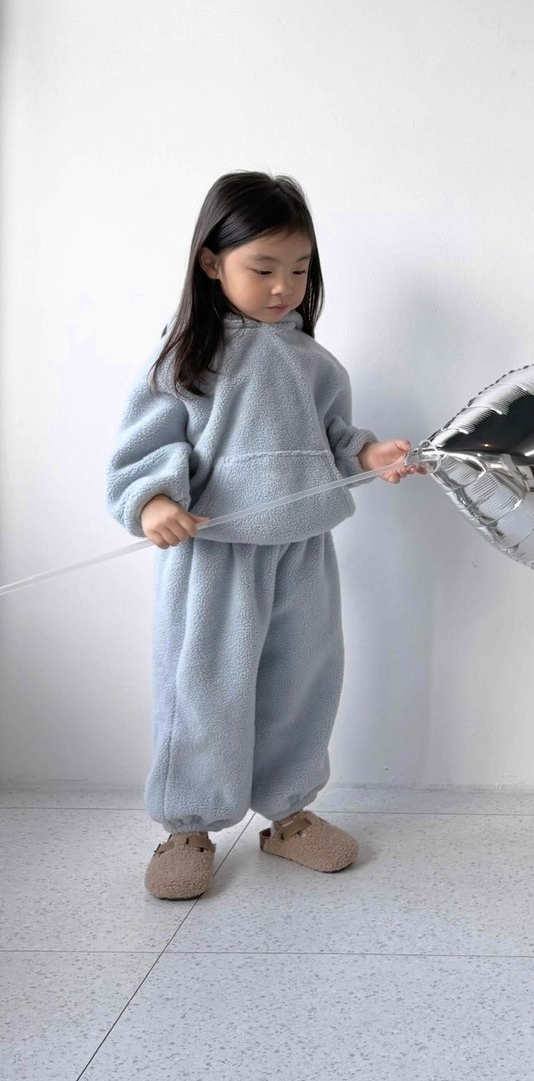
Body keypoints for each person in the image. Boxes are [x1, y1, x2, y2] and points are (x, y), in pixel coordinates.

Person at [106, 171, 426, 900]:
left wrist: (372, 455)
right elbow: (143, 448)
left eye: (300, 270)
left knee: (303, 680)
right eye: (264, 268)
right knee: (204, 687)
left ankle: (288, 813)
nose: (285, 287)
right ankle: (188, 826)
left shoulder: (315, 362)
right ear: (211, 262)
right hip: (214, 556)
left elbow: (335, 440)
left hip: (304, 549)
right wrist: (152, 502)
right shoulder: (187, 358)